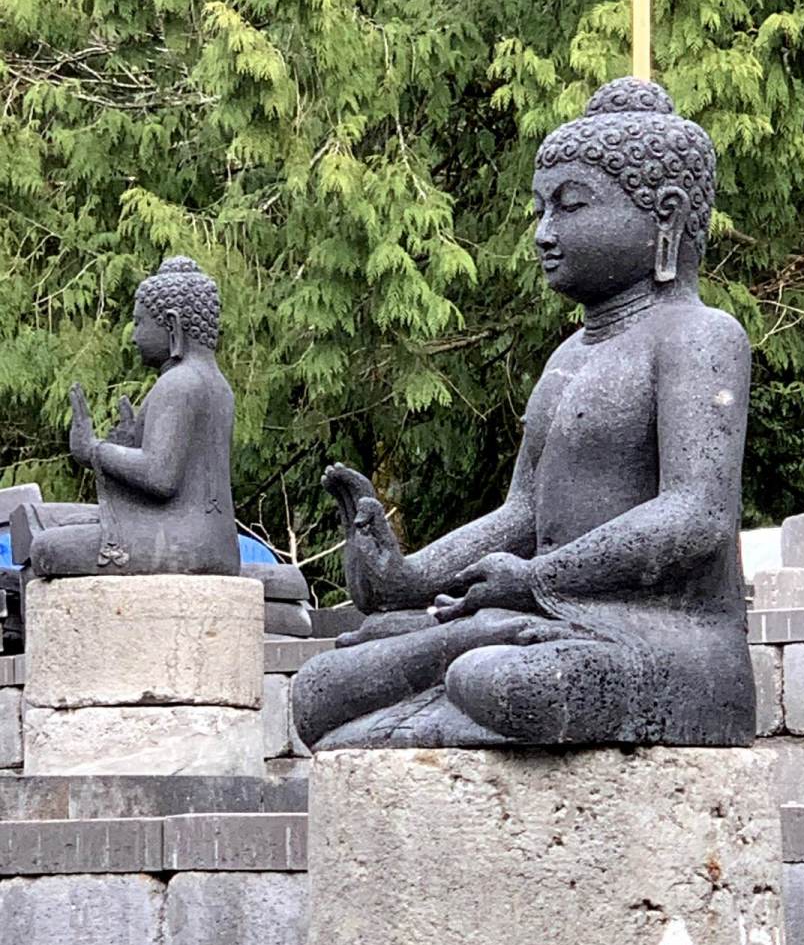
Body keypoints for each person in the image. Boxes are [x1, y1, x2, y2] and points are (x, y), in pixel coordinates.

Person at [292, 77, 756, 749]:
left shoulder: (701, 336)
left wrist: (539, 578)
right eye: (540, 210)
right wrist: (408, 577)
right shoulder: (570, 356)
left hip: (668, 639)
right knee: (318, 688)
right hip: (552, 618)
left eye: (570, 207)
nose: (544, 234)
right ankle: (452, 682)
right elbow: (524, 514)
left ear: (667, 213)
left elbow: (695, 514)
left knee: (505, 680)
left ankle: (440, 697)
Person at [17, 257, 240, 577]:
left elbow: (159, 477)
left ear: (172, 324)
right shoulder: (216, 384)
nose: (134, 337)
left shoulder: (179, 383)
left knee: (46, 548)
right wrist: (129, 444)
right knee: (45, 519)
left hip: (183, 541)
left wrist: (92, 449)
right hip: (208, 537)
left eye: (139, 323)